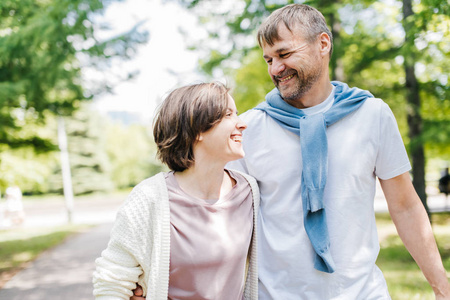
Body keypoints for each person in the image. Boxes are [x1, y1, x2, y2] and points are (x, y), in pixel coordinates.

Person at [132, 4, 450, 300]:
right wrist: (152, 280)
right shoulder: (248, 129)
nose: (276, 68)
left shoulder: (372, 115)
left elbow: (406, 206)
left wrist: (442, 285)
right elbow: (212, 215)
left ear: (323, 44)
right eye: (268, 59)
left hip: (362, 292)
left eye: (284, 53)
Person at [93, 82, 259, 300]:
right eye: (228, 115)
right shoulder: (149, 199)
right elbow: (111, 284)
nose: (242, 124)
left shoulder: (249, 191)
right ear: (198, 128)